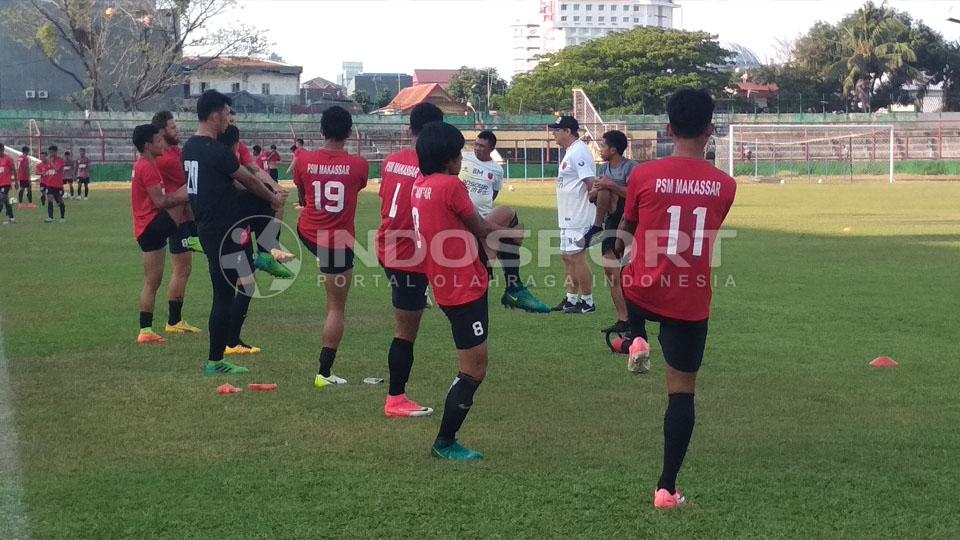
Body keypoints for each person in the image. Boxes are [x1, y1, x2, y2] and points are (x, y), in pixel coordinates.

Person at [612, 88, 737, 510]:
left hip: (642, 290)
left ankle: (632, 335)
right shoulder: (725, 185)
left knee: (618, 272)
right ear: (710, 130)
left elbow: (626, 230)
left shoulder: (643, 176)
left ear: (668, 129)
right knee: (681, 393)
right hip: (689, 300)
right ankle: (666, 488)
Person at [412, 121, 518, 461]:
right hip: (462, 288)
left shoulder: (422, 184)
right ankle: (444, 442)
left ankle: (514, 286)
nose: (462, 159)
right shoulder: (450, 186)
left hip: (448, 279)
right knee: (473, 370)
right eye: (458, 154)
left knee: (508, 214)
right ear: (449, 159)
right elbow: (483, 228)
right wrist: (511, 238)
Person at [182, 90, 285, 375]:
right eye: (227, 113)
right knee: (224, 295)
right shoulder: (215, 151)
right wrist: (273, 198)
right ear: (215, 114)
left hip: (210, 227)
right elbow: (248, 181)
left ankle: (263, 255)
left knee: (240, 285)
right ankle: (215, 360)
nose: (229, 119)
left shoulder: (189, 147)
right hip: (222, 231)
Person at [376, 102, 444, 418]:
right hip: (408, 257)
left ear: (410, 129)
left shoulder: (391, 161)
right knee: (405, 333)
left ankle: (423, 293)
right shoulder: (430, 166)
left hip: (387, 247)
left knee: (409, 315)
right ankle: (396, 398)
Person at [294, 106, 368, 387]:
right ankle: (324, 373)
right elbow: (354, 189)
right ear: (349, 133)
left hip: (307, 232)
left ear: (321, 130)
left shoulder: (304, 160)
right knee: (336, 309)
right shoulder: (359, 165)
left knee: (332, 296)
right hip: (336, 242)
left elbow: (303, 196)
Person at [458, 130, 549, 313]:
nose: (477, 148)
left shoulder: (496, 169)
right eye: (476, 144)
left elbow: (494, 193)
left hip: (484, 217)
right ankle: (510, 286)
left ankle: (504, 284)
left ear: (492, 149)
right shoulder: (464, 159)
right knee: (507, 231)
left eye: (482, 146)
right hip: (464, 220)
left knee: (506, 218)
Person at [130, 124, 190, 345]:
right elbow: (161, 202)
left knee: (152, 282)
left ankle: (146, 329)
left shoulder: (145, 164)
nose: (162, 144)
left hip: (147, 227)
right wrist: (185, 192)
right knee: (152, 282)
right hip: (150, 226)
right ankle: (145, 330)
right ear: (147, 145)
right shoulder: (147, 167)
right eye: (159, 141)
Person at [151, 110, 204, 336]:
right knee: (181, 269)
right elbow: (189, 187)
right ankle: (173, 321)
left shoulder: (173, 153)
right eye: (173, 127)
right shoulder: (168, 159)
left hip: (184, 218)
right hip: (178, 219)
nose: (177, 130)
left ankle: (175, 320)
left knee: (185, 268)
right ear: (162, 131)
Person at [589, 130, 639, 334]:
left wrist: (610, 185)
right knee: (610, 271)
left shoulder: (631, 168)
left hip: (629, 222)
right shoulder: (603, 167)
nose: (600, 149)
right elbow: (593, 197)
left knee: (629, 273)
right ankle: (623, 318)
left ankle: (636, 320)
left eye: (602, 146)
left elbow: (635, 196)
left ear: (613, 149)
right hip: (611, 222)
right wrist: (596, 191)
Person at [549, 116, 596, 314]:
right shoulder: (571, 152)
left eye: (557, 130)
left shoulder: (579, 151)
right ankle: (571, 299)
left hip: (578, 216)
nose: (554, 133)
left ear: (568, 131)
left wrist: (594, 214)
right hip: (568, 215)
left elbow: (591, 183)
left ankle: (588, 301)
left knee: (577, 257)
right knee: (567, 257)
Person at [43, 145, 66, 223]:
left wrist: (51, 162)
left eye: (52, 152)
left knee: (60, 200)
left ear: (56, 152)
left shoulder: (60, 160)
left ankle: (62, 218)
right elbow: (47, 172)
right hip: (50, 184)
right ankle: (50, 217)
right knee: (49, 199)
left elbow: (57, 169)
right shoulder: (48, 162)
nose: (51, 154)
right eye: (50, 152)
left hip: (58, 185)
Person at [0, 144, 15, 224]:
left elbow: (14, 170)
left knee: (1, 199)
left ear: (2, 149)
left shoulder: (8, 159)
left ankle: (11, 219)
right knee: (6, 201)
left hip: (5, 183)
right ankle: (11, 219)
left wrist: (15, 181)